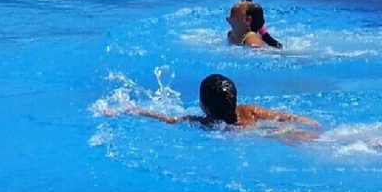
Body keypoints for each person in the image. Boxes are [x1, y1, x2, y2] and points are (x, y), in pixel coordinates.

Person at [122, 73, 320, 130]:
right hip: (271, 132)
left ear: (203, 106)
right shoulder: (248, 111)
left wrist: (135, 109)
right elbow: (283, 117)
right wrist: (309, 122)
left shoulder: (205, 122)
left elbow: (169, 120)